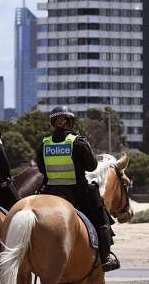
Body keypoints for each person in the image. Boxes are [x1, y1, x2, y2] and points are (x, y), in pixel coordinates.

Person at [37, 105, 120, 272]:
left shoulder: (44, 144)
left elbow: (41, 169)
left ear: (54, 123)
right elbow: (91, 166)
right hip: (77, 192)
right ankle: (105, 259)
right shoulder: (78, 142)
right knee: (101, 218)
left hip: (50, 191)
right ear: (70, 122)